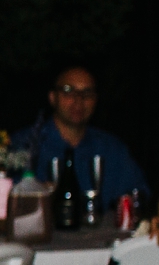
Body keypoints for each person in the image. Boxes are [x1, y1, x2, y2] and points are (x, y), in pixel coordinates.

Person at [17, 66, 148, 205]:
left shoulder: (111, 149)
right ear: (52, 97)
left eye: (87, 93)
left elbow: (138, 194)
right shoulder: (24, 146)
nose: (78, 100)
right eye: (68, 91)